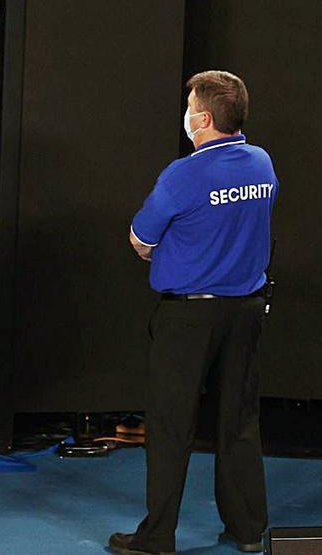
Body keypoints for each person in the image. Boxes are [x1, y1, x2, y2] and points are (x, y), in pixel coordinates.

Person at [110, 71, 277, 555]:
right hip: (245, 314)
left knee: (169, 426)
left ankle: (157, 537)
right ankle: (248, 531)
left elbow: (141, 239)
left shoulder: (183, 174)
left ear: (202, 118)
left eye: (189, 105)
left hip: (188, 320)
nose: (186, 113)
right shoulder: (262, 164)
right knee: (239, 422)